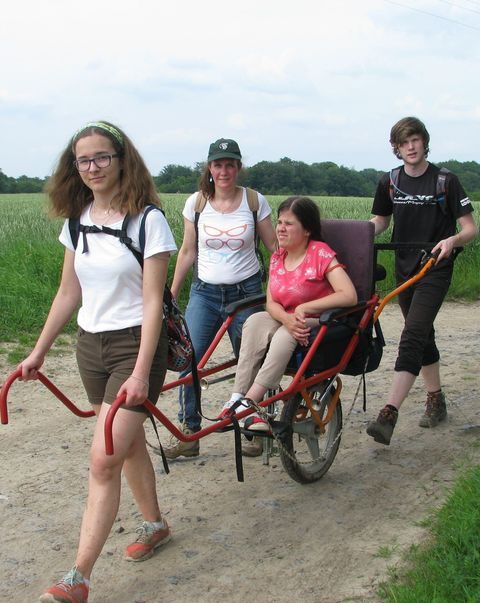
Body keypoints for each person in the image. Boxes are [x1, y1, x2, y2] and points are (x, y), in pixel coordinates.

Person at [18, 121, 177, 603]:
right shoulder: (78, 220)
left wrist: (140, 370)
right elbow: (69, 292)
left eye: (102, 157)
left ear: (122, 159)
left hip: (135, 347)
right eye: (83, 160)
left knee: (102, 458)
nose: (92, 167)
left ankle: (77, 577)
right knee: (124, 447)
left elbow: (154, 302)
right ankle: (154, 526)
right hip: (91, 346)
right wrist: (39, 350)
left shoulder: (149, 221)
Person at [366, 116, 478, 446]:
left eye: (415, 140)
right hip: (404, 268)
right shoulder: (390, 181)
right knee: (422, 332)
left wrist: (451, 242)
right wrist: (358, 235)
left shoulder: (446, 180)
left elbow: (470, 228)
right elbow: (381, 221)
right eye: (404, 142)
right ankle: (436, 398)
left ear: (424, 142)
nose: (411, 146)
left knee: (412, 332)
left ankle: (389, 412)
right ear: (397, 148)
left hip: (435, 267)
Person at [164, 138, 277, 459]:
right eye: (218, 164)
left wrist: (284, 290)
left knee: (251, 359)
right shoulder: (196, 203)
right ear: (209, 168)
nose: (224, 170)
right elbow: (188, 251)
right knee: (190, 360)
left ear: (238, 167)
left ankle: (256, 425)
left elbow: (274, 250)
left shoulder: (255, 201)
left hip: (248, 293)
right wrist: (171, 296)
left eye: (230, 164)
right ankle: (190, 432)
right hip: (205, 293)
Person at [219, 196, 358, 428]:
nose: (281, 229)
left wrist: (305, 308)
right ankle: (237, 396)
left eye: (289, 223)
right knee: (254, 321)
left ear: (307, 230)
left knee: (287, 334)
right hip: (286, 317)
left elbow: (348, 295)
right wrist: (287, 318)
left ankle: (252, 401)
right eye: (280, 222)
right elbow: (271, 302)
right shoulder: (278, 256)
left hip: (317, 319)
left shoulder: (320, 253)